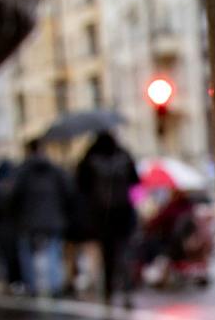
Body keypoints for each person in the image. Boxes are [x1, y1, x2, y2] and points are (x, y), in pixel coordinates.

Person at [75, 130, 141, 304]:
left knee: (107, 255)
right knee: (124, 252)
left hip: (101, 216)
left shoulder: (90, 159)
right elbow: (136, 184)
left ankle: (109, 291)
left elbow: (81, 187)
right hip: (124, 214)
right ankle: (127, 290)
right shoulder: (124, 156)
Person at [9, 138, 72, 297]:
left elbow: (12, 196)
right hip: (53, 218)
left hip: (28, 219)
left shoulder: (22, 171)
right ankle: (55, 285)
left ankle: (32, 286)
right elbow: (68, 192)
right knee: (53, 251)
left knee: (27, 254)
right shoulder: (55, 170)